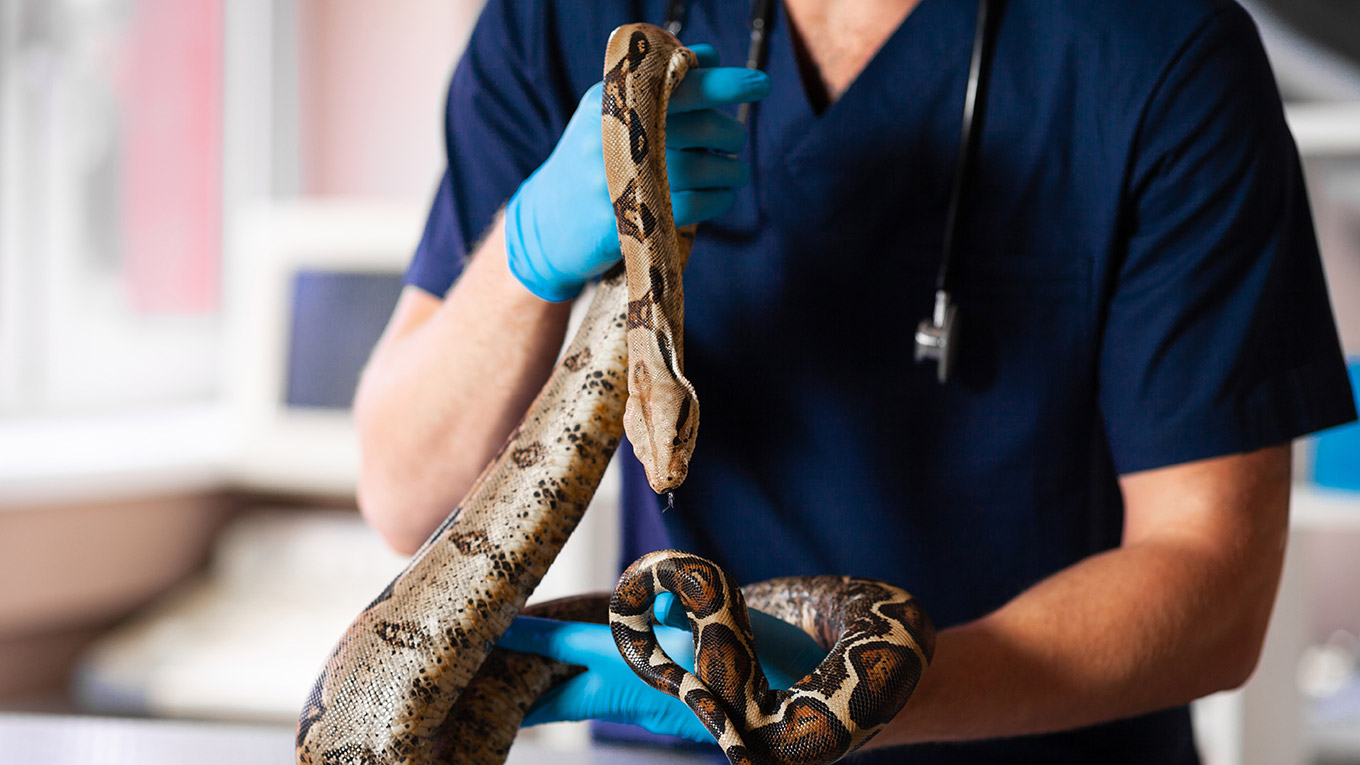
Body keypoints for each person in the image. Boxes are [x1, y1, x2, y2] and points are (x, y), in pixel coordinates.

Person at [352, 0, 1358, 761]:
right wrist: (528, 252)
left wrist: (859, 693)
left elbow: (1214, 589)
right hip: (688, 728)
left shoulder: (1158, 48)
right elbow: (406, 496)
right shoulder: (567, 18)